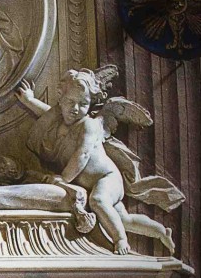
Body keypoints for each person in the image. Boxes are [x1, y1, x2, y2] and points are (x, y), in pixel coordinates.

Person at [16, 70, 174, 255]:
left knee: (98, 201)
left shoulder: (88, 125)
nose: (75, 108)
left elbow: (82, 154)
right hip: (95, 182)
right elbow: (47, 113)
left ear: (90, 104)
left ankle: (120, 239)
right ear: (60, 100)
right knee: (123, 219)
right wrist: (28, 101)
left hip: (107, 178)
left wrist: (64, 179)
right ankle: (161, 232)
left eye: (83, 104)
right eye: (70, 102)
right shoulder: (60, 118)